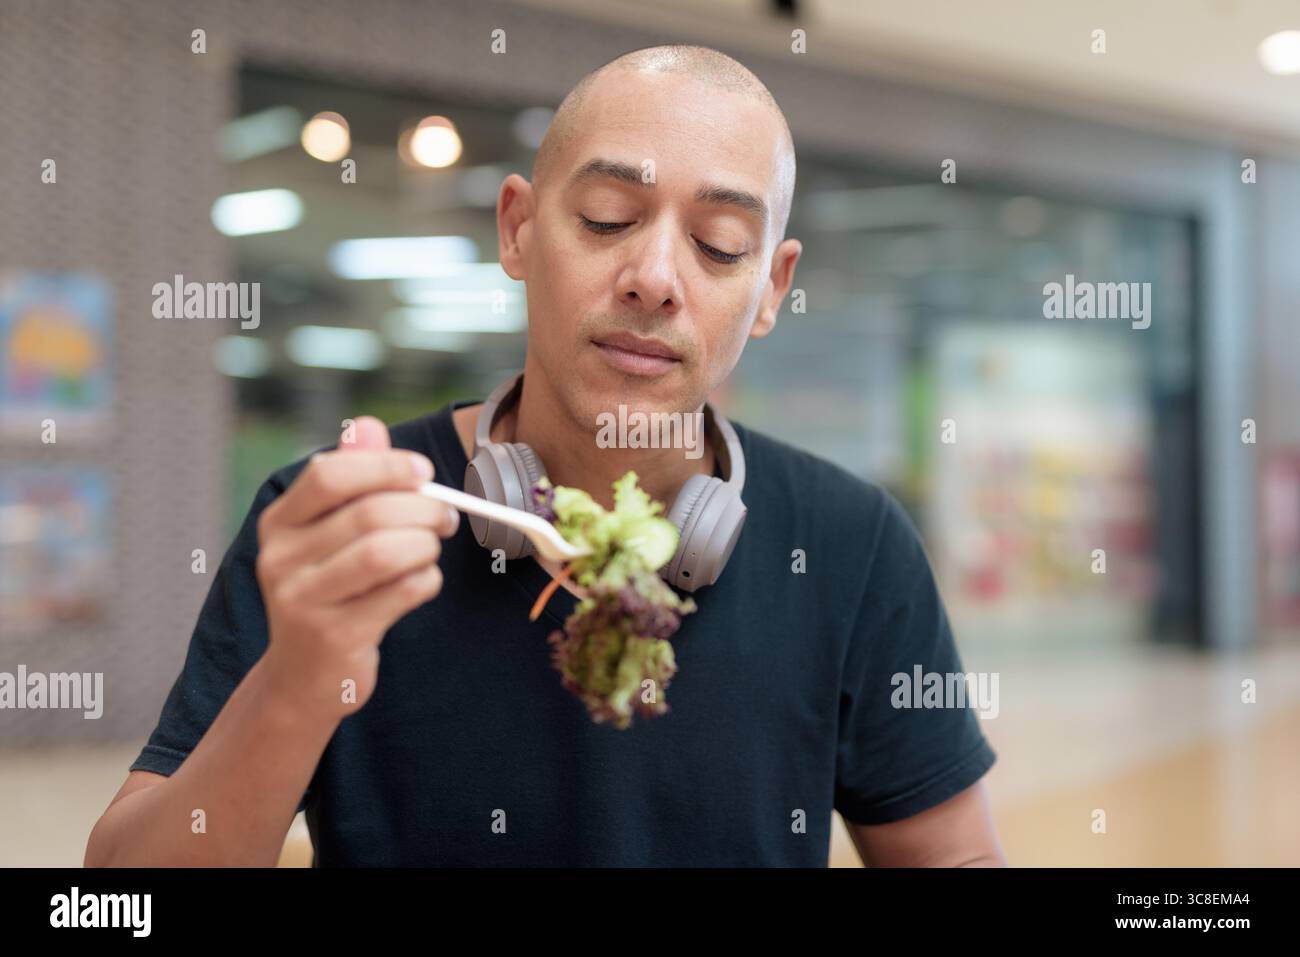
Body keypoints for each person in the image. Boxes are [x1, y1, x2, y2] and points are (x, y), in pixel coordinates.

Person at [85, 44, 1004, 867]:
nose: (654, 278)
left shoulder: (852, 541)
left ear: (771, 288)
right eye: (608, 218)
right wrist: (296, 679)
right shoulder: (342, 517)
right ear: (519, 229)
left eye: (719, 245)